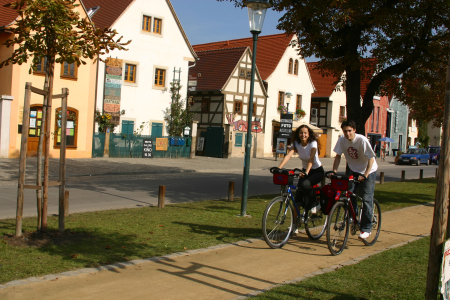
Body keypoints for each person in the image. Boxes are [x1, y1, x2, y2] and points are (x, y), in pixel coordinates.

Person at [330, 120, 377, 240]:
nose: (347, 133)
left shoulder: (362, 140)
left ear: (354, 130)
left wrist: (365, 175)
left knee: (366, 198)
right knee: (349, 194)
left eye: (349, 131)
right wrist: (334, 172)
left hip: (368, 170)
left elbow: (371, 159)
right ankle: (353, 216)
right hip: (353, 169)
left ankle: (366, 228)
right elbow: (338, 156)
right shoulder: (342, 140)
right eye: (345, 131)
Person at [277, 125, 324, 213]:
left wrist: (306, 172)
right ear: (298, 134)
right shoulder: (296, 143)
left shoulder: (313, 142)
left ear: (309, 134)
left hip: (317, 171)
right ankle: (295, 224)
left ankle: (315, 203)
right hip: (305, 171)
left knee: (306, 184)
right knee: (298, 196)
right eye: (301, 133)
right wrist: (278, 168)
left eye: (305, 133)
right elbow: (288, 155)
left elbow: (311, 158)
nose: (303, 135)